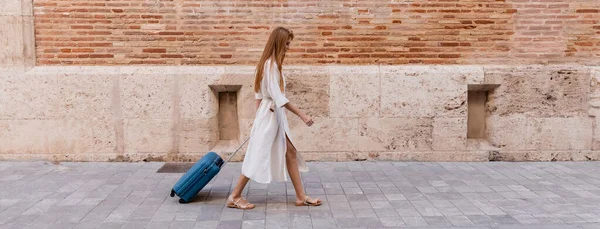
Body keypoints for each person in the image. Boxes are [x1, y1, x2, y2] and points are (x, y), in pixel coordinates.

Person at [226, 27, 322, 210]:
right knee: (257, 154)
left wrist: (260, 116)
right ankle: (235, 196)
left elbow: (258, 96)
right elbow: (279, 98)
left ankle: (301, 196)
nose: (288, 47)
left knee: (290, 152)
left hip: (270, 114)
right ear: (279, 43)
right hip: (270, 115)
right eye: (286, 44)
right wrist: (303, 115)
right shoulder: (270, 66)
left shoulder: (267, 64)